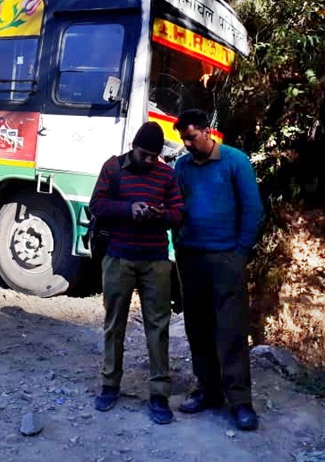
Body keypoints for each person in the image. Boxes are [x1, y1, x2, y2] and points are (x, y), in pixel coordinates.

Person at [173, 109, 264, 432]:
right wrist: (179, 245)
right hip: (191, 257)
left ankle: (240, 401)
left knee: (231, 329)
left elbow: (253, 208)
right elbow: (176, 207)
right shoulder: (182, 166)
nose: (186, 144)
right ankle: (207, 390)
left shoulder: (235, 162)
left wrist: (240, 252)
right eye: (183, 139)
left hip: (226, 257)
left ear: (208, 132)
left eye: (191, 137)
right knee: (198, 327)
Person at [89, 121, 184, 425]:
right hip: (118, 257)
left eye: (154, 156)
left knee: (158, 327)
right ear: (134, 147)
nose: (149, 161)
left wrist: (160, 215)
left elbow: (179, 213)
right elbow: (97, 205)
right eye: (144, 154)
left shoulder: (166, 175)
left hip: (155, 260)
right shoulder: (113, 169)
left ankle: (159, 395)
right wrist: (129, 210)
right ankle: (109, 385)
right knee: (113, 324)